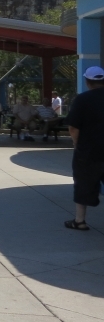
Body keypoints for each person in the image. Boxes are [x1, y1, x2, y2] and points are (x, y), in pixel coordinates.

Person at [64, 67, 104, 230]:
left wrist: (76, 144)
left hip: (88, 152)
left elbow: (73, 127)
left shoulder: (82, 99)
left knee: (83, 185)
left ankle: (80, 221)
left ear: (88, 82)